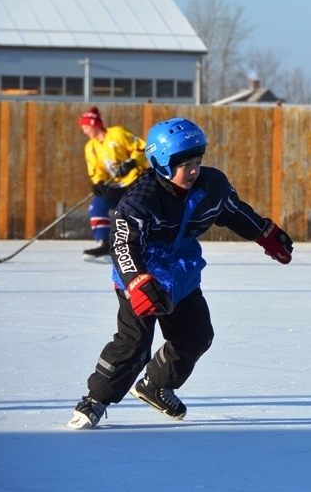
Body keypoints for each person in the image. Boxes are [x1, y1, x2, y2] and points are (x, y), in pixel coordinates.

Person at [67, 117, 295, 429]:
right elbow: (122, 245)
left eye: (197, 161)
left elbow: (234, 212)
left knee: (196, 336)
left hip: (182, 270)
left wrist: (264, 233)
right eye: (183, 164)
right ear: (161, 164)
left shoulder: (211, 186)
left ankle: (155, 385)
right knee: (134, 344)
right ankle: (94, 400)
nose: (193, 170)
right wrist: (137, 281)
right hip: (141, 269)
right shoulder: (140, 199)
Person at [78, 107, 148, 263]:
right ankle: (104, 244)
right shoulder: (90, 147)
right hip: (115, 186)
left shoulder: (117, 133)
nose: (84, 131)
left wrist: (132, 162)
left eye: (85, 127)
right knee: (97, 206)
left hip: (135, 181)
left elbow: (143, 149)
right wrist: (99, 183)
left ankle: (138, 246)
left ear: (93, 124)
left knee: (133, 212)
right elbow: (96, 171)